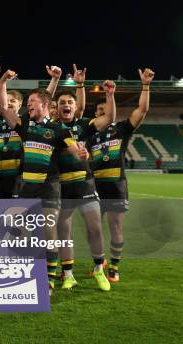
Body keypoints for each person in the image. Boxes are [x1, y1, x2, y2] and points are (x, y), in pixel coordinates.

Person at [0, 72, 91, 295]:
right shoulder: (24, 126)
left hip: (49, 188)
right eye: (27, 103)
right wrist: (1, 83)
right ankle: (23, 271)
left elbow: (75, 151)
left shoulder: (60, 130)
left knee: (49, 232)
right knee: (16, 231)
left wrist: (82, 153)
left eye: (31, 103)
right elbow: (3, 109)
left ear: (44, 104)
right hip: (26, 189)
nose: (27, 106)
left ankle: (48, 280)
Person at [88, 68, 155, 283]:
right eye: (98, 109)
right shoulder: (89, 132)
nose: (102, 111)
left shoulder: (122, 129)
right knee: (94, 229)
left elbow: (142, 110)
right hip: (94, 186)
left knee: (115, 227)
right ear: (96, 113)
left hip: (116, 185)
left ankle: (114, 267)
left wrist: (145, 85)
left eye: (104, 108)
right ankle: (99, 264)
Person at [55, 70, 116, 292]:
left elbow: (108, 118)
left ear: (74, 106)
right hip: (61, 187)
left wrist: (109, 96)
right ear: (57, 107)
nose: (66, 105)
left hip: (85, 184)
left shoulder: (83, 126)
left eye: (70, 101)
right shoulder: (51, 129)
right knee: (64, 231)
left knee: (95, 228)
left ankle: (99, 268)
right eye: (62, 102)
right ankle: (68, 274)